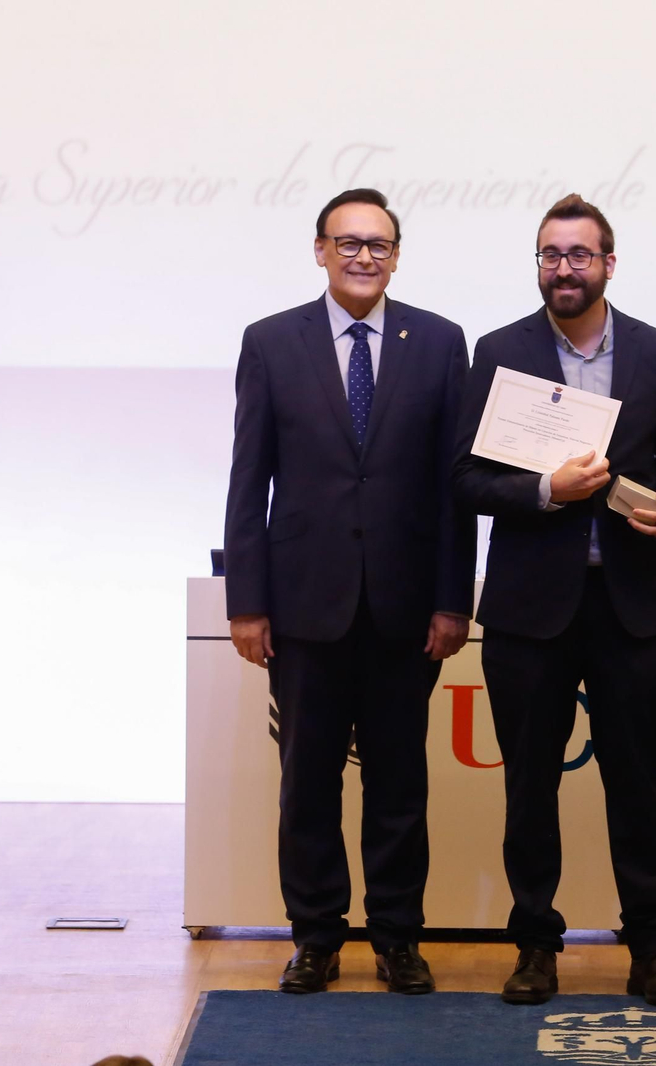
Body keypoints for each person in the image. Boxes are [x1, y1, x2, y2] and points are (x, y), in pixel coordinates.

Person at [223, 187, 476, 995]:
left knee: (401, 782)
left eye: (379, 244)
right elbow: (248, 480)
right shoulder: (270, 342)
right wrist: (247, 602)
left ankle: (398, 936)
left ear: (397, 255)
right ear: (320, 249)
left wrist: (452, 599)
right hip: (303, 607)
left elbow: (453, 487)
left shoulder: (439, 343)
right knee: (308, 784)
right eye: (348, 242)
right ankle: (316, 936)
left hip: (406, 610)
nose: (364, 256)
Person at [453, 194, 656, 1007]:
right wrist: (547, 492)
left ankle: (653, 951)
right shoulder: (499, 350)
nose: (565, 268)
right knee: (530, 786)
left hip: (628, 606)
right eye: (550, 255)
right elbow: (465, 479)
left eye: (579, 255)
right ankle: (534, 947)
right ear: (539, 264)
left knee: (638, 785)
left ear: (609, 264)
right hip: (529, 611)